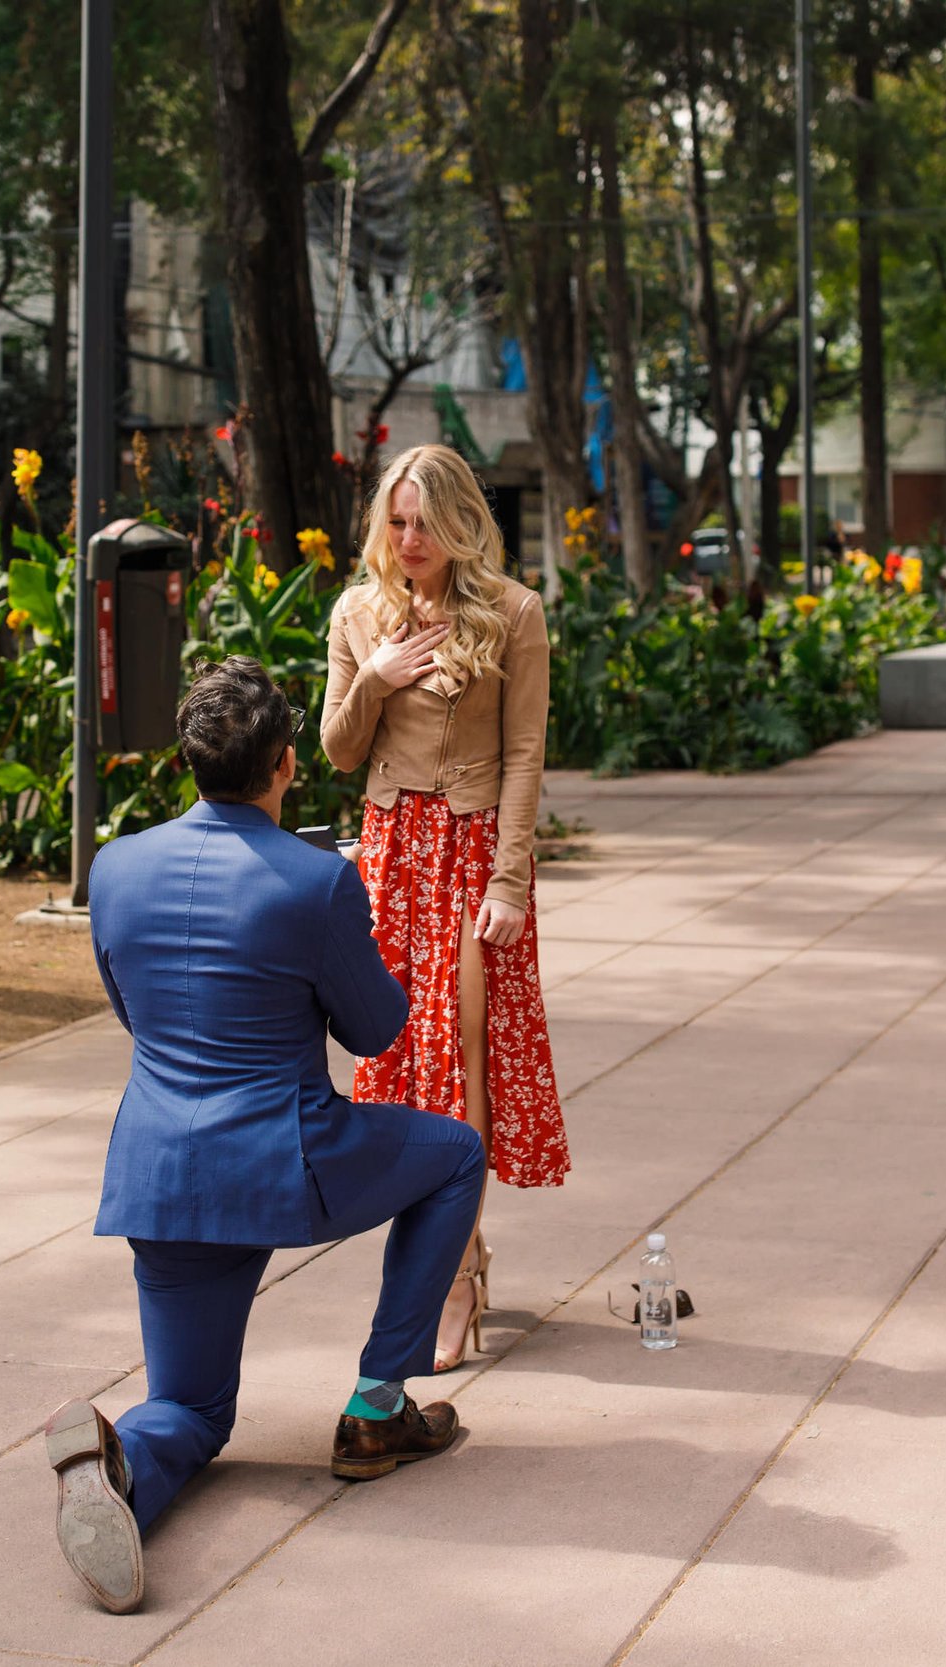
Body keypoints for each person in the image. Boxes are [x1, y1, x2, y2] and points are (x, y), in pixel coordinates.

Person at [46, 658, 488, 1614]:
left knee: (194, 1411)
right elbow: (374, 1031)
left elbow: (134, 1010)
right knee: (454, 1153)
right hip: (287, 1165)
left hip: (160, 1176)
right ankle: (377, 1405)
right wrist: (367, 932)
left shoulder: (115, 867)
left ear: (186, 762)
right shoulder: (317, 880)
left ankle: (117, 1465)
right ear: (286, 764)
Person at [321, 443, 570, 1375]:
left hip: (471, 856)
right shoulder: (358, 611)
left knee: (463, 1057)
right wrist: (375, 676)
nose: (410, 537)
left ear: (461, 520)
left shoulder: (513, 612)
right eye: (397, 519)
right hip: (391, 856)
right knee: (398, 1058)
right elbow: (340, 753)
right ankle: (451, 1257)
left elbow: (524, 754)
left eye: (426, 520)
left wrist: (509, 880)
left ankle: (457, 1275)